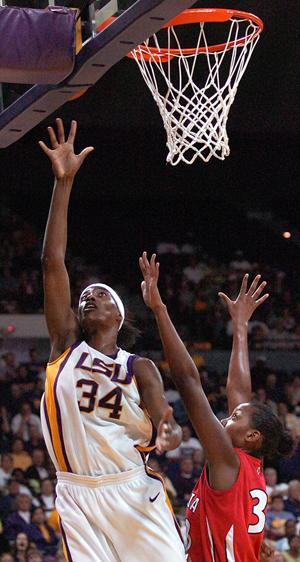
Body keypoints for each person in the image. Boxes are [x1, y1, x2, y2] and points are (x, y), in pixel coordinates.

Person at [38, 119, 186, 562]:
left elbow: (165, 420)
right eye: (85, 296)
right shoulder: (65, 344)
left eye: (99, 296)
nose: (88, 297)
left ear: (118, 317)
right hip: (77, 492)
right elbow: (52, 262)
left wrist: (171, 433)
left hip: (131, 487)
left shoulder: (138, 366)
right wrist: (63, 184)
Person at [139, 253, 294, 562]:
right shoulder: (248, 465)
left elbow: (187, 381)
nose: (226, 417)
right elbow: (239, 391)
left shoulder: (228, 461)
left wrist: (159, 310)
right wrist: (240, 326)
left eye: (235, 417)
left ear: (251, 437)